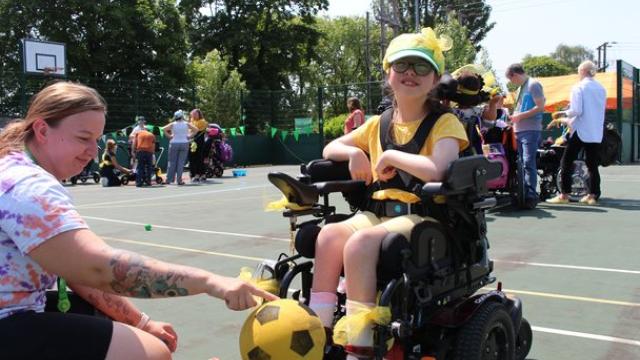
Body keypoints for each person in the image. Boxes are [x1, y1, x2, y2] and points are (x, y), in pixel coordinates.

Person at [0, 82, 278, 360]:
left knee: (113, 324)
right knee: (151, 353)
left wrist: (141, 322)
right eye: (83, 137)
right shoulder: (28, 185)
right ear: (42, 130)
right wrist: (210, 281)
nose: (92, 151)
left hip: (19, 312)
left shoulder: (15, 167)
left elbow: (76, 273)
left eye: (96, 139)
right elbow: (98, 268)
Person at [308, 28, 468, 359]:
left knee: (360, 243)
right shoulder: (377, 123)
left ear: (435, 77)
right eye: (403, 65)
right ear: (388, 71)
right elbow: (331, 146)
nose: (411, 73)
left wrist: (391, 156)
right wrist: (354, 153)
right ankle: (317, 333)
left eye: (421, 67)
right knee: (328, 237)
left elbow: (439, 168)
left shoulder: (445, 123)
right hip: (378, 212)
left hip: (424, 215)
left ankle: (359, 346)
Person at [546, 60, 606, 205]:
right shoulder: (601, 88)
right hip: (595, 131)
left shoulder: (578, 87)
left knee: (566, 162)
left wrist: (561, 113)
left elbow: (576, 111)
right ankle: (593, 195)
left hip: (580, 130)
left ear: (583, 71)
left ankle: (564, 195)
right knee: (592, 165)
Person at [505, 63, 546, 209]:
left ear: (515, 75)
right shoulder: (522, 87)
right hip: (520, 130)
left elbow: (540, 107)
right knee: (522, 162)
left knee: (528, 162)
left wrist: (520, 116)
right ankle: (524, 192)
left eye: (511, 79)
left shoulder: (533, 85)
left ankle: (530, 194)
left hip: (530, 130)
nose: (511, 82)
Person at [162, 110, 198, 185]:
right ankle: (179, 180)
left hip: (174, 143)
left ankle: (169, 180)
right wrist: (189, 136)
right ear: (182, 116)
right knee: (181, 163)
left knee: (172, 162)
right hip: (184, 143)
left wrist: (169, 136)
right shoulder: (186, 124)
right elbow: (196, 130)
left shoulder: (173, 124)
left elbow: (163, 129)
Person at [188, 109, 208, 183]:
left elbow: (195, 130)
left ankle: (200, 174)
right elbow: (190, 130)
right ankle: (195, 174)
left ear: (199, 114)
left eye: (195, 114)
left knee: (199, 158)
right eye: (193, 114)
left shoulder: (202, 121)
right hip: (192, 142)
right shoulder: (191, 121)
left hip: (199, 142)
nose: (194, 115)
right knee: (192, 158)